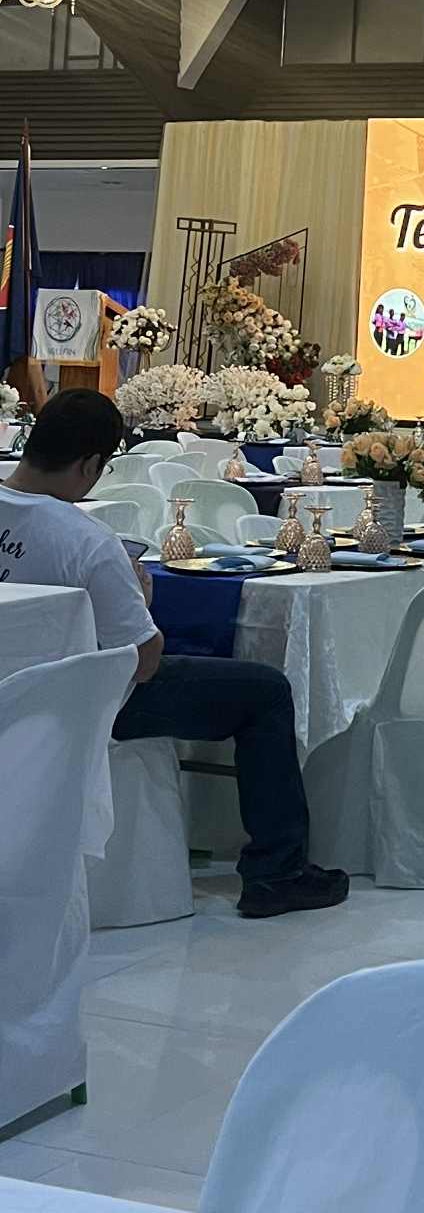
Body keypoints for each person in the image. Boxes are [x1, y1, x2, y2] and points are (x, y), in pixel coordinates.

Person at [0, 389, 348, 920]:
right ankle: (277, 873)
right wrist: (142, 600)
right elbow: (142, 663)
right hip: (85, 707)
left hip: (14, 696)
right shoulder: (87, 542)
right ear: (90, 465)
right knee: (267, 692)